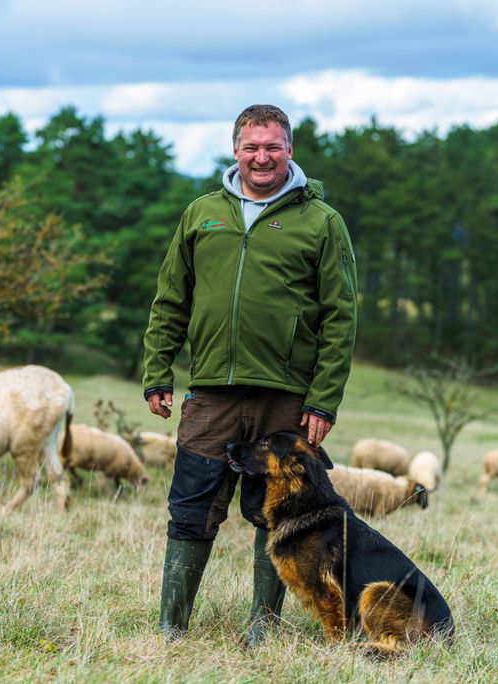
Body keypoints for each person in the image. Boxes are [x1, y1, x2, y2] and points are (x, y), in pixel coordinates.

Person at [141, 104, 358, 644]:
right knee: (191, 509)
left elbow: (341, 316)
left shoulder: (322, 222)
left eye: (273, 146)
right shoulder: (201, 214)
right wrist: (157, 371)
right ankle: (171, 628)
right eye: (251, 147)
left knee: (278, 512)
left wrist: (322, 401)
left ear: (290, 150)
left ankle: (262, 627)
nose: (262, 157)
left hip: (285, 399)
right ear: (234, 149)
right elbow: (170, 299)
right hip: (212, 393)